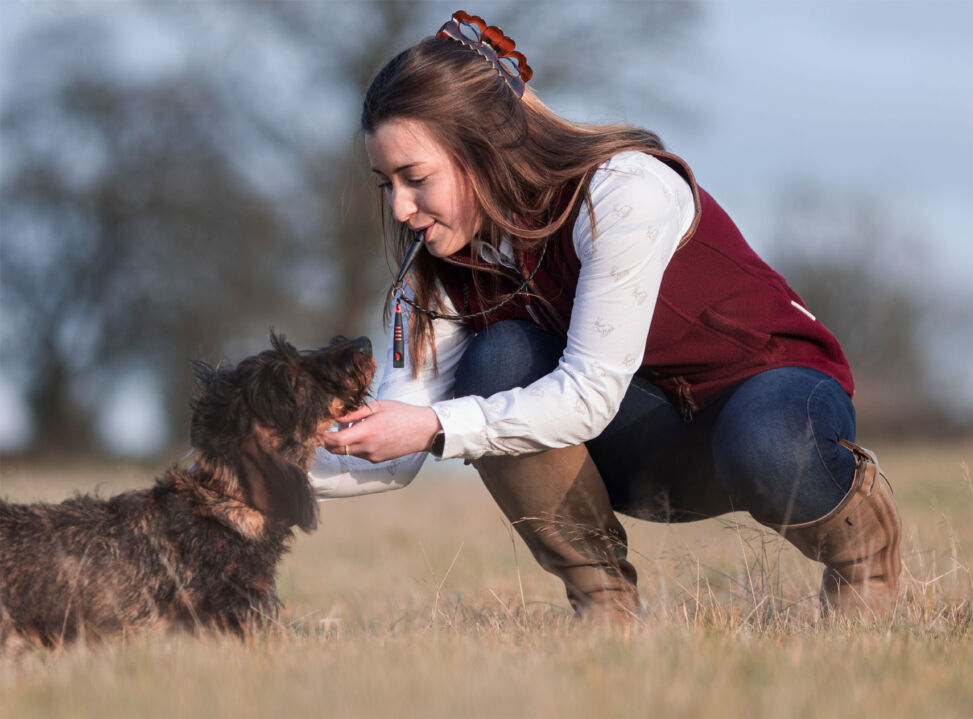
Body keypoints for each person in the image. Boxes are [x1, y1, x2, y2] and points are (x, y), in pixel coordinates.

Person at [311, 10, 902, 623]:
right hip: (642, 450)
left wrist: (434, 424)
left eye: (415, 178)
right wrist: (261, 469)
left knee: (766, 442)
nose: (400, 207)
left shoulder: (623, 191)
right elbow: (396, 449)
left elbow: (586, 396)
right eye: (386, 184)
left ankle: (866, 566)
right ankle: (606, 609)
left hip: (770, 410)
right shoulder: (434, 271)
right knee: (500, 359)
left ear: (484, 147)